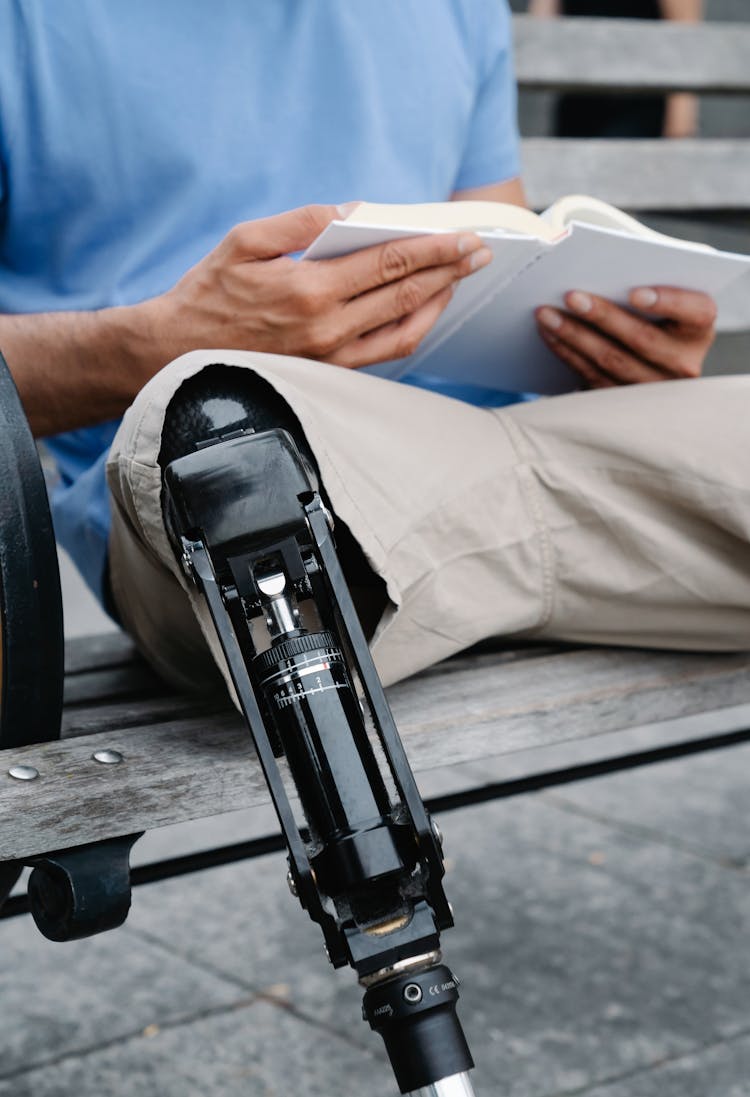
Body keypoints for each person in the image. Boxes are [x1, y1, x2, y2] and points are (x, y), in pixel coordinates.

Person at [1, 1, 747, 696]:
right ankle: (643, 517)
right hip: (230, 490)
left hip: (485, 445)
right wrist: (155, 345)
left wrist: (606, 357)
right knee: (228, 439)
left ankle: (474, 564)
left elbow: (503, 258)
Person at [529, 0, 701, 139]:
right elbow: (540, 30)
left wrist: (680, 121)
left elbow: (685, 29)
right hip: (578, 99)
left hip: (641, 102)